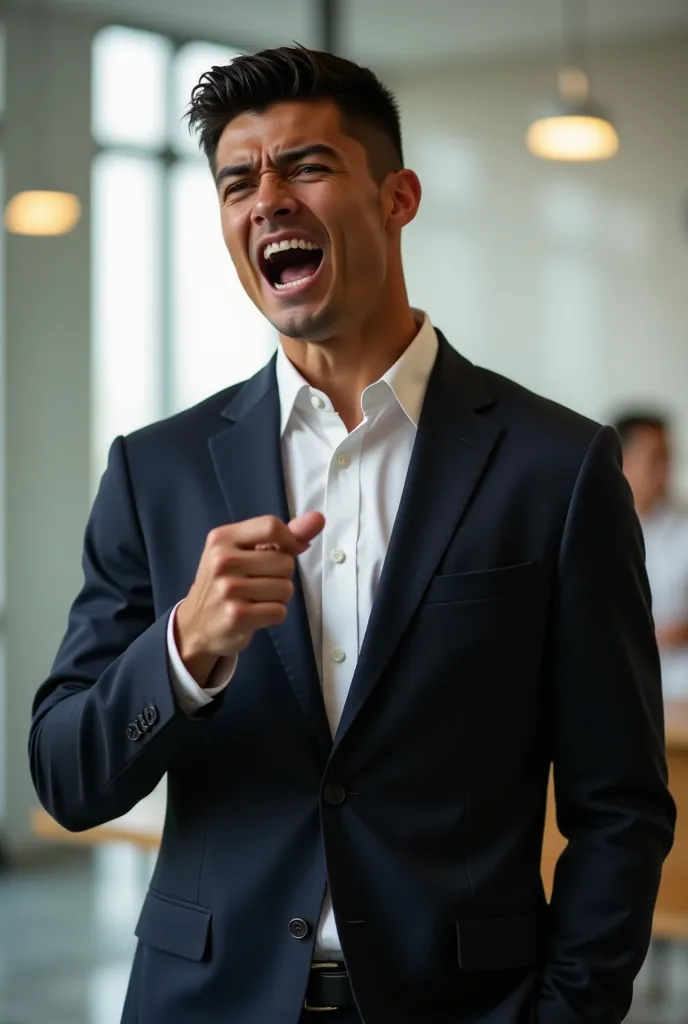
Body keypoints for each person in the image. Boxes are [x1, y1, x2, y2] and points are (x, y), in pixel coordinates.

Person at [29, 46, 675, 1024]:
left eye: (308, 166)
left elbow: (619, 806)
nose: (267, 198)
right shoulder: (152, 471)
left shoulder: (560, 468)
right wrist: (183, 651)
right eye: (237, 180)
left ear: (398, 197)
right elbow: (68, 776)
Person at [614, 411, 688, 699]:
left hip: (678, 688)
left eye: (668, 459)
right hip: (619, 686)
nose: (665, 472)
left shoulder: (683, 527)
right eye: (655, 459)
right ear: (622, 459)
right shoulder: (595, 527)